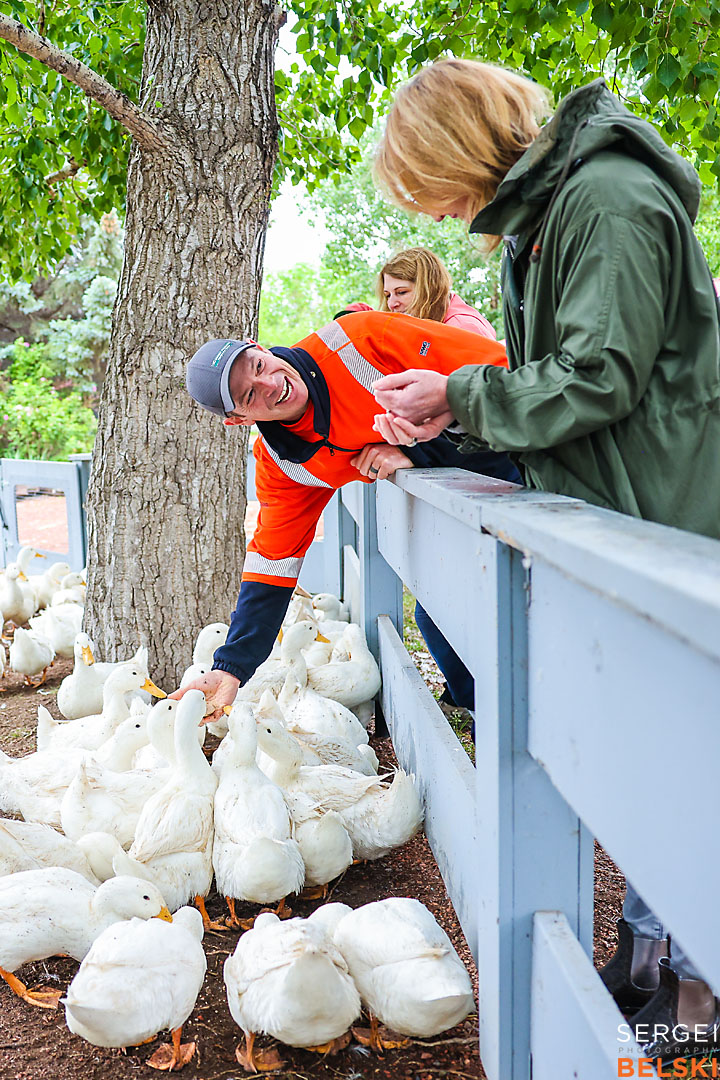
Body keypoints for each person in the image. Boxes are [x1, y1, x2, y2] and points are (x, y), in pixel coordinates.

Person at [370, 59, 720, 1059]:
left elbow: (599, 373)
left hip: (666, 514)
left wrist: (464, 396)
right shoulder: (542, 219)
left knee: (683, 763)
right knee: (648, 758)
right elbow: (551, 384)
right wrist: (455, 416)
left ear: (459, 151)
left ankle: (696, 1000)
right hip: (617, 510)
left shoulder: (603, 199)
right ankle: (654, 957)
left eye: (423, 182)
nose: (430, 212)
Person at [174, 310, 509, 729]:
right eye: (248, 396)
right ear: (239, 420)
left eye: (258, 366)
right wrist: (231, 666)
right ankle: (494, 721)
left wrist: (416, 454)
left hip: (532, 469)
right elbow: (272, 562)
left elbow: (502, 374)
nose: (271, 384)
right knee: (442, 615)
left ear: (260, 348)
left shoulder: (362, 340)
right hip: (471, 513)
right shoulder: (282, 463)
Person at [340, 248, 519, 717]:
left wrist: (407, 450)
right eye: (387, 294)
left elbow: (466, 420)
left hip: (487, 483)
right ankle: (473, 700)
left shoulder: (460, 330)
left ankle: (480, 706)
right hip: (464, 481)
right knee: (439, 607)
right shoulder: (418, 333)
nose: (393, 302)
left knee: (443, 611)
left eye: (403, 292)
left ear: (430, 286)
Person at [377, 247, 496, 337]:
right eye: (387, 295)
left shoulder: (462, 327)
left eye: (402, 292)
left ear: (429, 289)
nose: (391, 304)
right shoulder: (437, 320)